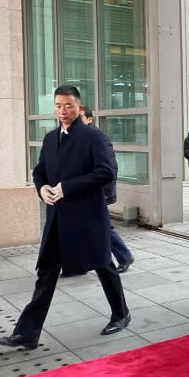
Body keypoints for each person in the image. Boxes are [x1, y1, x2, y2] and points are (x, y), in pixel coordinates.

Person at [0, 85, 130, 351]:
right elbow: (40, 171)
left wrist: (67, 187)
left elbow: (106, 172)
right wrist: (42, 188)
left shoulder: (93, 137)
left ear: (79, 108)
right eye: (57, 106)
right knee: (46, 273)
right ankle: (27, 333)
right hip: (57, 220)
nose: (62, 111)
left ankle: (121, 313)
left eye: (67, 105)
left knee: (104, 265)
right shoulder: (50, 138)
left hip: (88, 217)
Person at [80, 107, 135, 273]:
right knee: (83, 225)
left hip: (98, 191)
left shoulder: (97, 137)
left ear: (89, 119)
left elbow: (110, 167)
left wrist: (105, 191)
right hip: (84, 190)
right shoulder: (78, 137)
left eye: (80, 117)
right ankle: (82, 262)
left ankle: (124, 257)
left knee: (102, 226)